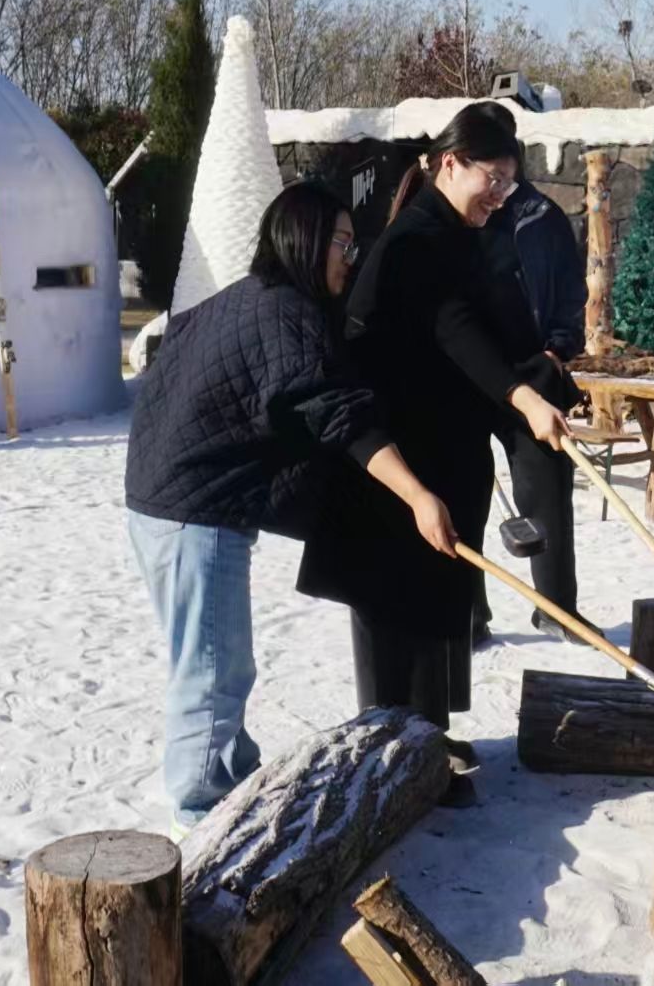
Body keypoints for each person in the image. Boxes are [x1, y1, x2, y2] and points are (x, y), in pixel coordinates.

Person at [125, 180, 456, 833]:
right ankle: (203, 815)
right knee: (212, 671)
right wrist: (419, 496)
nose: (349, 258)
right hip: (196, 512)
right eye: (341, 242)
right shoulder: (285, 313)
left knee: (214, 660)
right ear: (304, 239)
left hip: (162, 502)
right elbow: (337, 414)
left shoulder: (244, 299)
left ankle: (232, 775)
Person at [307, 101, 571, 781]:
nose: (500, 193)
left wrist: (541, 376)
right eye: (493, 177)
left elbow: (498, 321)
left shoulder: (463, 233)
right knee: (401, 600)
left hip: (445, 443)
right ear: (450, 164)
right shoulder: (416, 239)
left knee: (440, 593)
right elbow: (455, 327)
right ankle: (396, 749)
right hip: (395, 453)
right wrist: (520, 396)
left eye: (510, 181)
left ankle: (430, 735)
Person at [478, 175, 589, 637]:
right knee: (461, 494)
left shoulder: (541, 215)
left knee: (548, 494)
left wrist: (557, 349)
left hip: (532, 369)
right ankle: (466, 615)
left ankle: (557, 610)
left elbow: (570, 290)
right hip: (466, 369)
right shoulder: (447, 213)